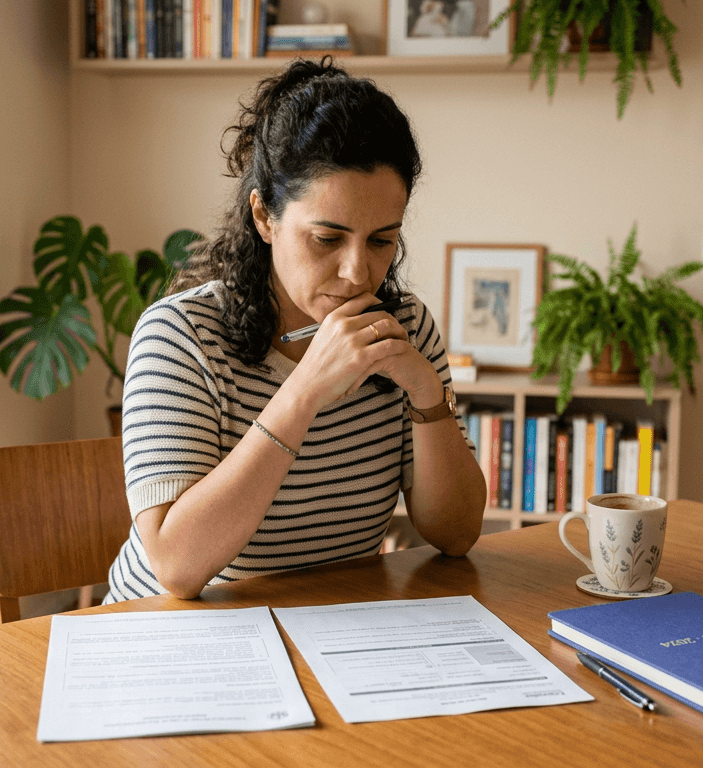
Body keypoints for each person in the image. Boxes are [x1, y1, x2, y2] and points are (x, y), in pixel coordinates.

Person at [103, 58, 487, 603]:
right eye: (328, 239)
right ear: (264, 216)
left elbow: (457, 534)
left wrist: (427, 395)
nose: (358, 272)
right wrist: (305, 391)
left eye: (382, 240)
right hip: (169, 635)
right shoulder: (179, 335)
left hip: (322, 631)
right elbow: (176, 566)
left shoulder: (404, 328)